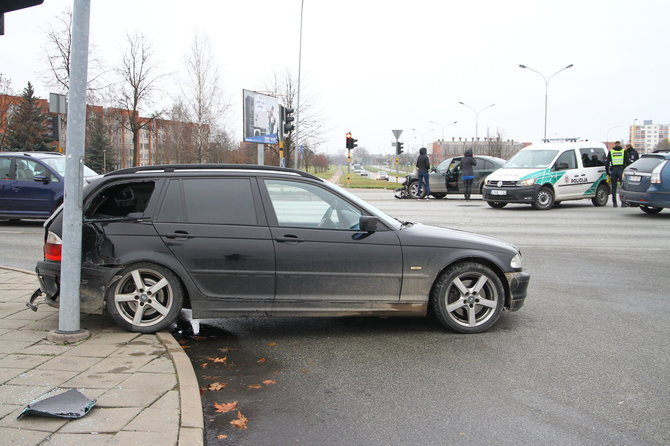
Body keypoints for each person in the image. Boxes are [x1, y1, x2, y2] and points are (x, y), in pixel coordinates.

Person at [606, 141, 628, 207]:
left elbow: (607, 162)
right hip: (621, 170)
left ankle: (614, 203)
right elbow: (627, 161)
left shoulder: (611, 151)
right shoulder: (624, 151)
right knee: (623, 187)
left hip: (613, 170)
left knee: (614, 187)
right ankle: (623, 203)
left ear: (615, 145)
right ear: (620, 144)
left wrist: (608, 172)